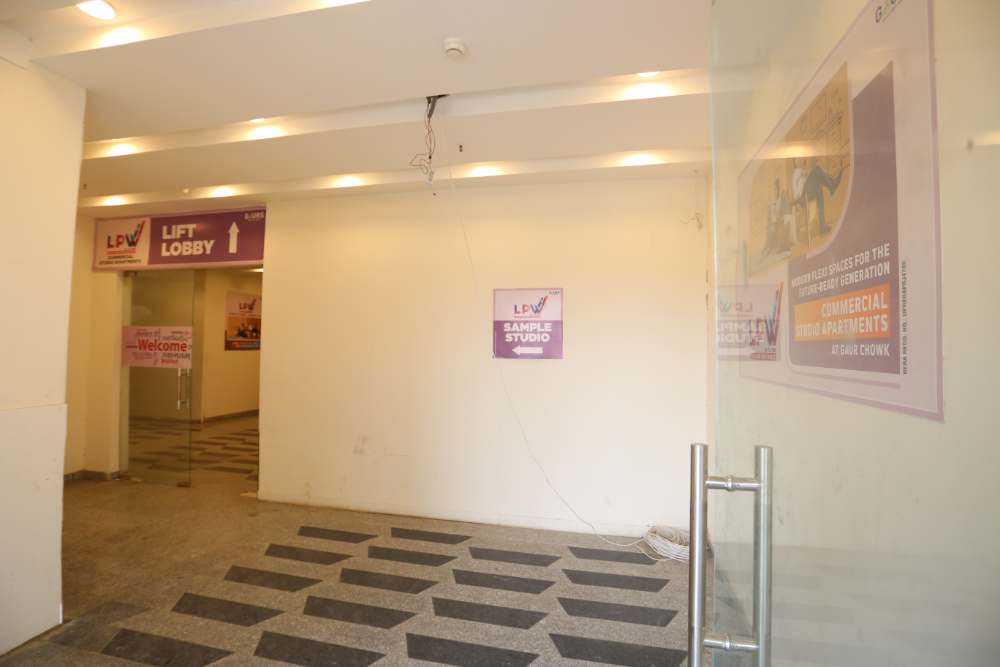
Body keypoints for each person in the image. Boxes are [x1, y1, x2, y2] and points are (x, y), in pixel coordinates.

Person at [802, 157, 843, 234]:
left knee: (821, 204)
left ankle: (822, 227)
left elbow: (824, 177)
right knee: (818, 173)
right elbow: (824, 177)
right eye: (818, 162)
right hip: (809, 193)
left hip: (812, 190)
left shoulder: (813, 173)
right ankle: (832, 185)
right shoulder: (813, 172)